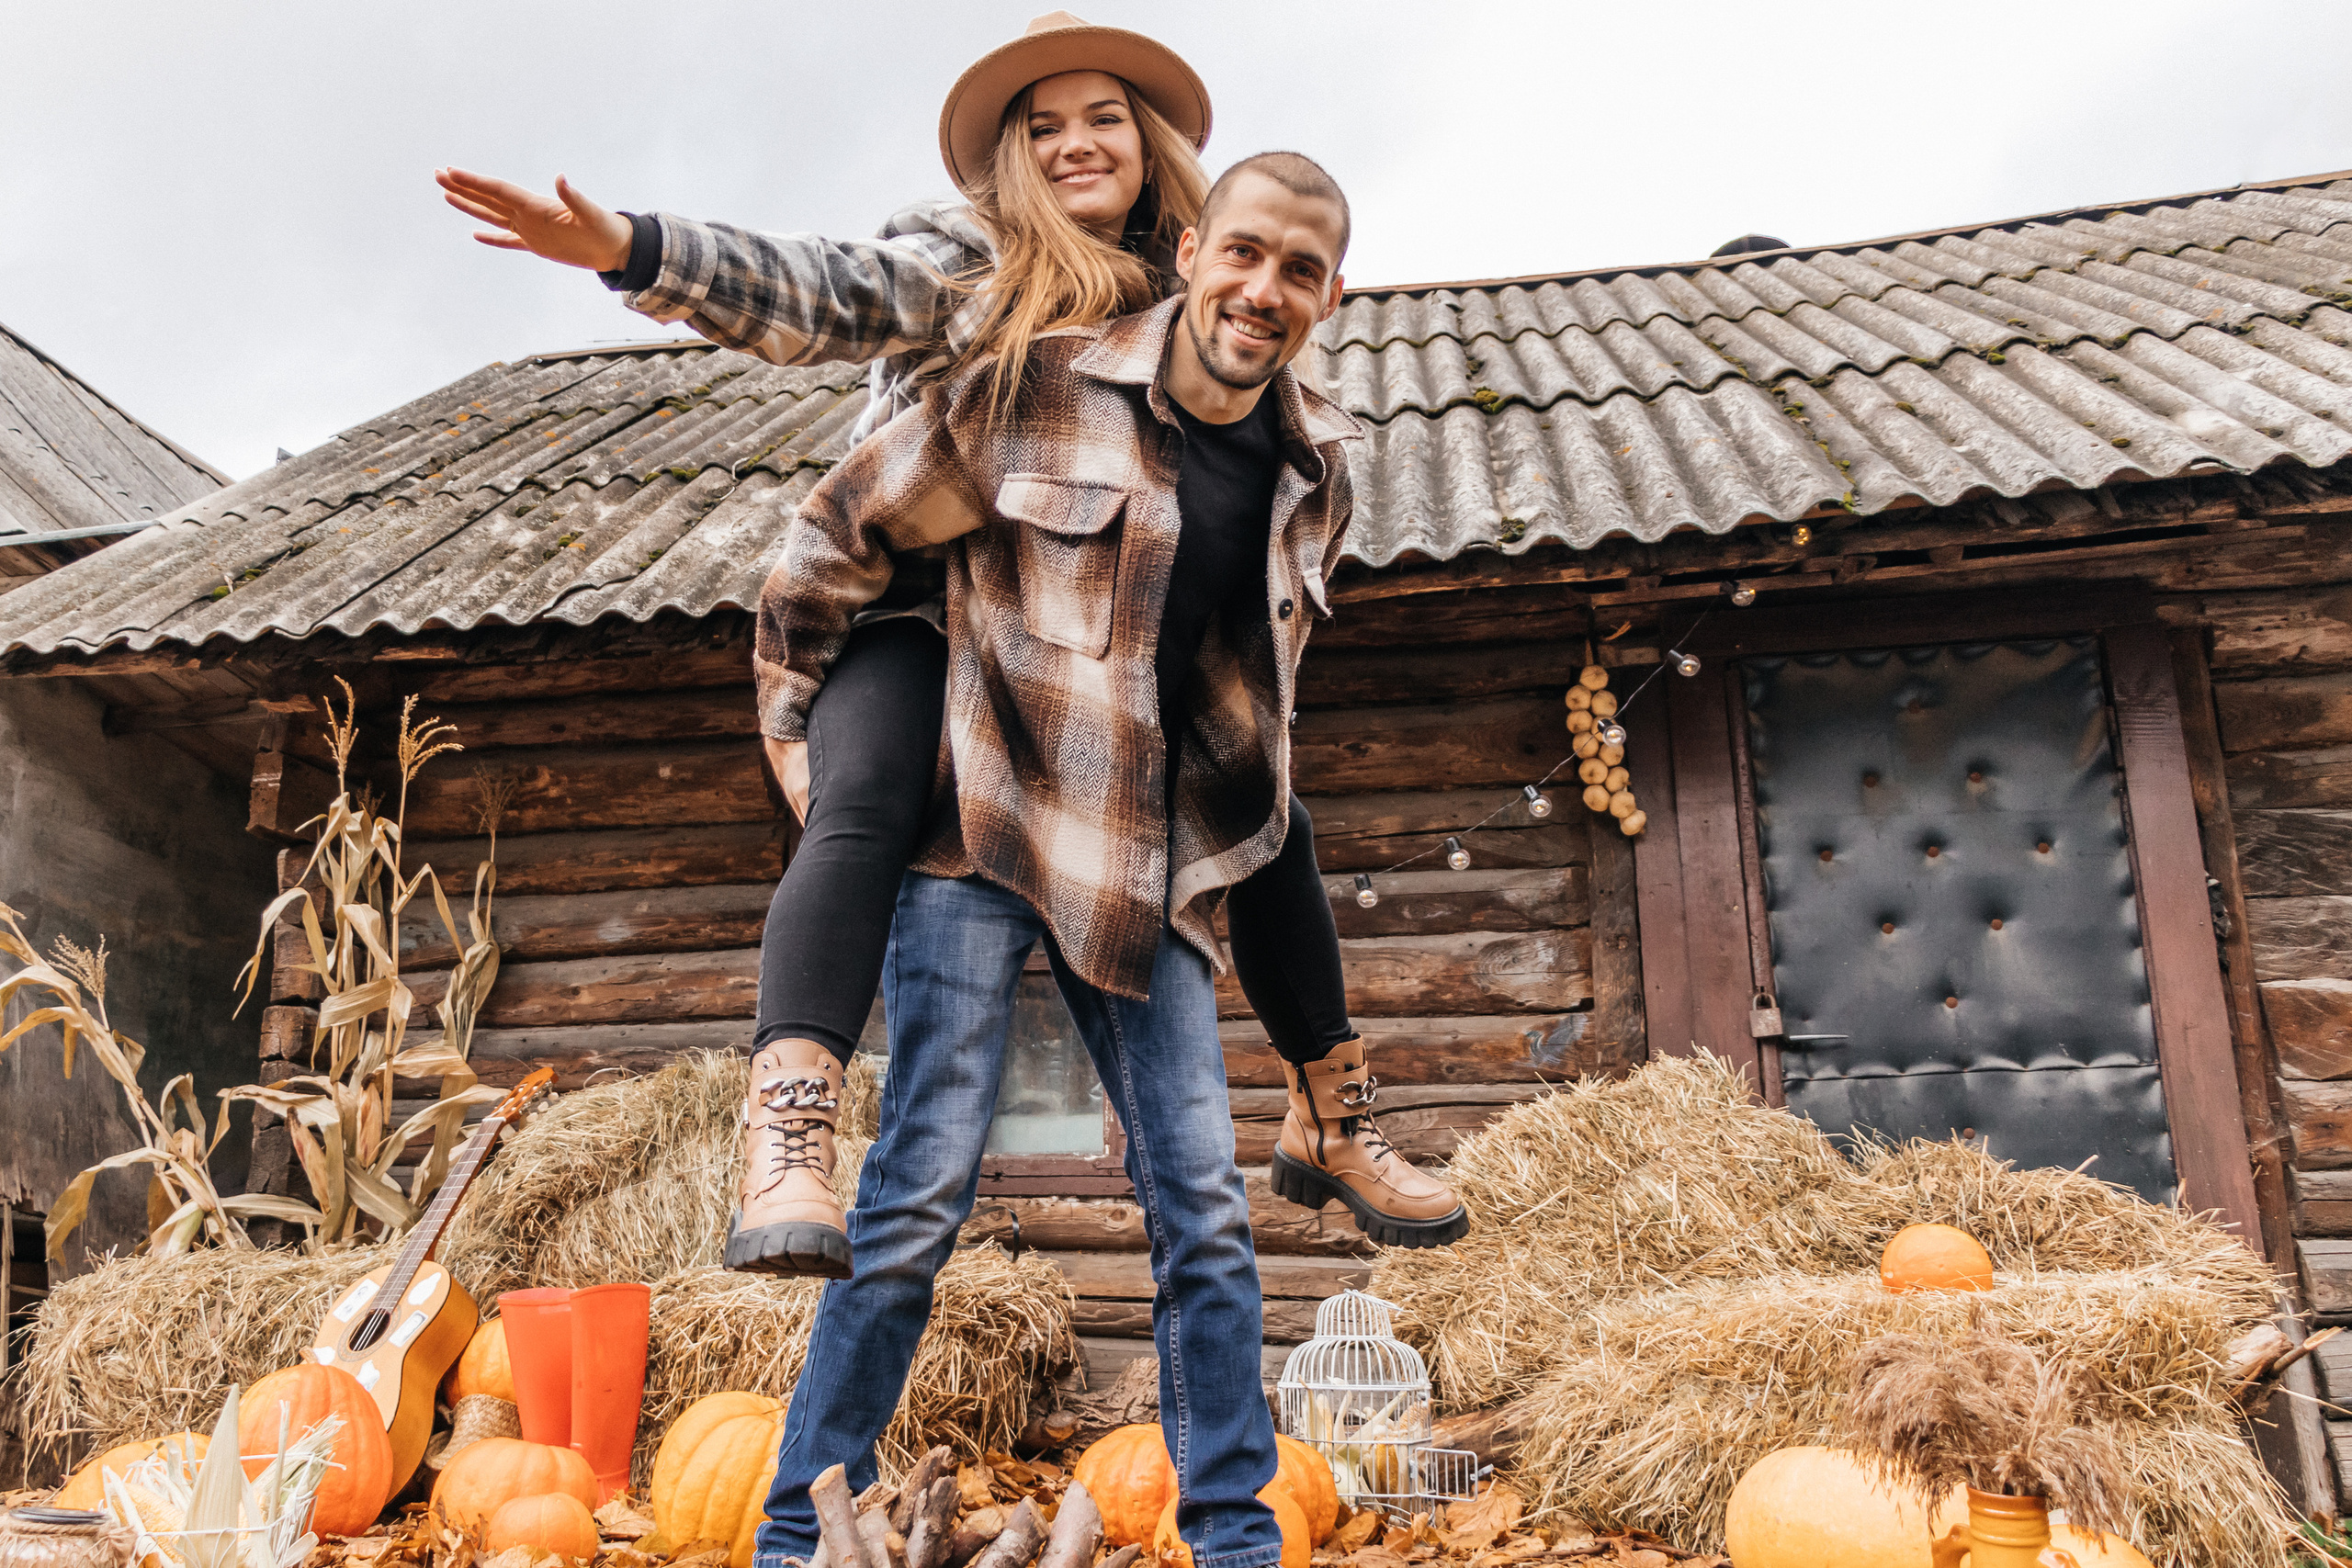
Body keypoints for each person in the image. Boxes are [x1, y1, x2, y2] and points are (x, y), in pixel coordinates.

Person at [435, 13, 1464, 1280]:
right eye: (1045, 126)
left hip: (1084, 630)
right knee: (863, 794)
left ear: (1150, 145)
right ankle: (794, 1128)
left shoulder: (1190, 293)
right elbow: (824, 290)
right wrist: (634, 249)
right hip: (923, 596)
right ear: (1013, 159)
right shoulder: (971, 259)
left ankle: (1331, 1110)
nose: (1077, 143)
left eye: (1103, 117)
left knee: (1265, 802)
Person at [755, 149, 1362, 1568]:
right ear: (1195, 247)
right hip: (975, 832)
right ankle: (794, 1537)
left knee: (1203, 1211)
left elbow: (1247, 703)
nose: (1264, 290)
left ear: (1336, 293)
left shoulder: (1312, 468)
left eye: (1302, 270)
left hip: (1139, 861)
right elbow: (841, 527)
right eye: (1245, 254)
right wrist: (800, 722)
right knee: (913, 1200)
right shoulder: (1042, 380)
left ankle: (1232, 1539)